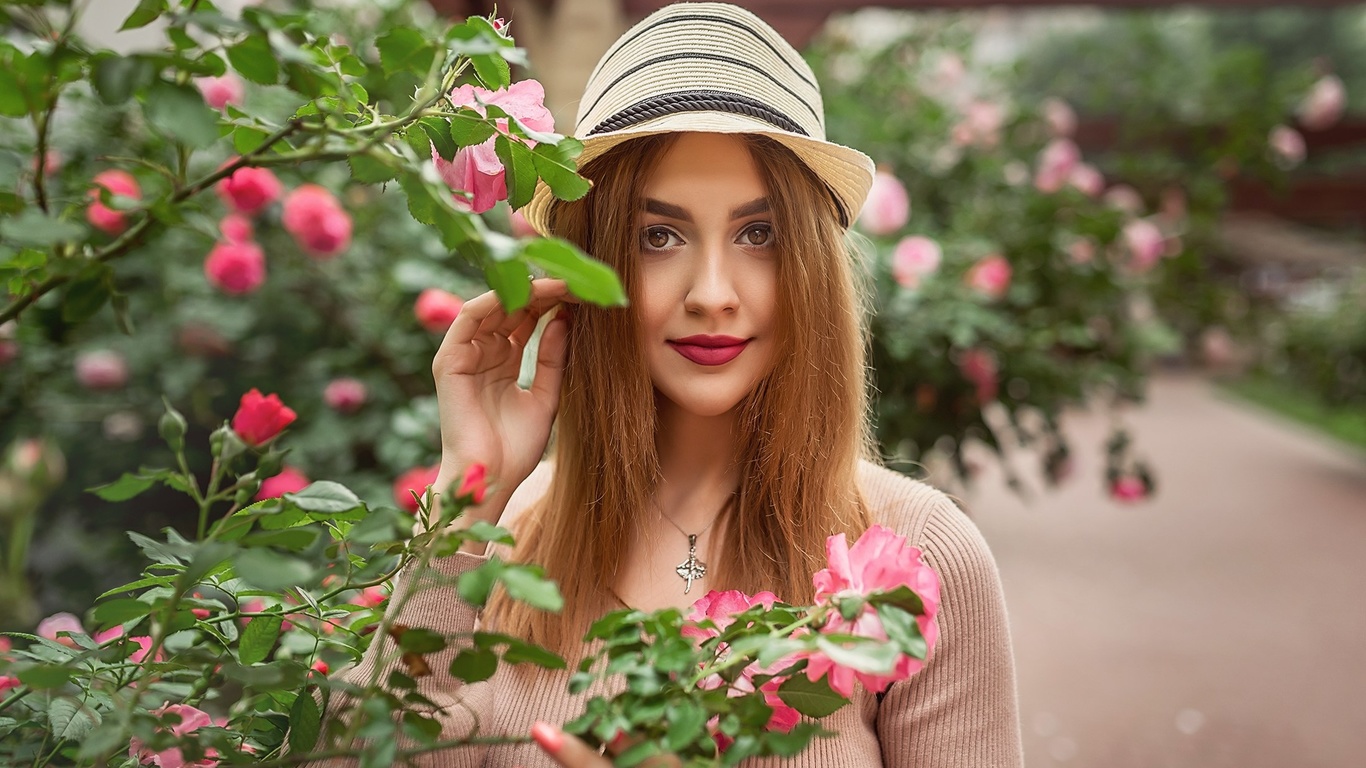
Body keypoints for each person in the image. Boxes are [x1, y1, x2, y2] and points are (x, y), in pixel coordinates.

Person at [335, 3, 1023, 766]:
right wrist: (466, 500)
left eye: (757, 234)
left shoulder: (918, 558)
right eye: (657, 235)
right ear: (588, 266)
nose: (712, 293)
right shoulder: (501, 540)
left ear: (812, 272)